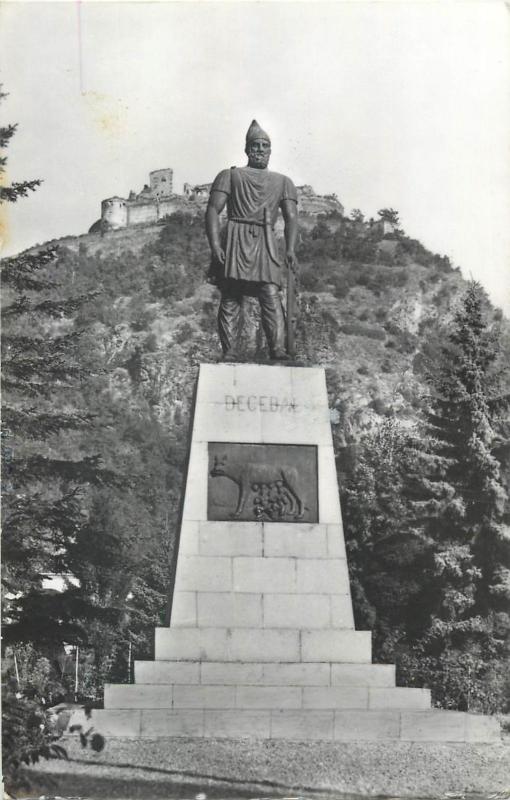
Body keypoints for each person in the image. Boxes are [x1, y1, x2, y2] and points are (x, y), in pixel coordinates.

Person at [205, 120, 298, 361]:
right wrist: (215, 245)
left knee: (270, 293)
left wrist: (290, 249)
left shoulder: (283, 182)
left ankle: (276, 348)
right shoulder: (230, 175)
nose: (259, 149)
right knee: (231, 295)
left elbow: (291, 219)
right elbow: (213, 210)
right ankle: (230, 351)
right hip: (236, 238)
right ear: (247, 149)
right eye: (255, 145)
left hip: (266, 242)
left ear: (270, 150)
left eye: (264, 146)